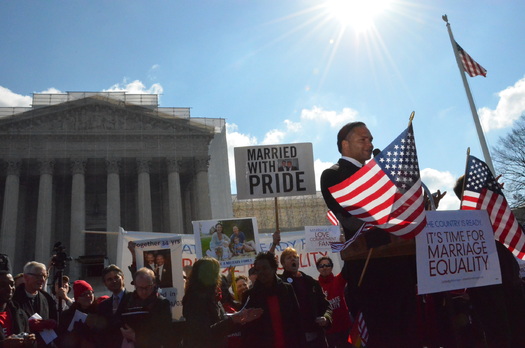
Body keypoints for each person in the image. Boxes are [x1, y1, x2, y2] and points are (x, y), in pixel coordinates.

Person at [320, 122, 419, 347]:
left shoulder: (381, 172)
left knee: (409, 333)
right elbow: (350, 217)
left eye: (371, 139)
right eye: (363, 139)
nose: (370, 144)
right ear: (345, 144)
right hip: (371, 267)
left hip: (401, 264)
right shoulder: (333, 174)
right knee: (384, 335)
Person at [453, 175, 525, 347]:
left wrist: (499, 205)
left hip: (511, 283)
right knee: (500, 336)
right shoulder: (460, 224)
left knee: (520, 332)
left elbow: (518, 236)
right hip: (485, 290)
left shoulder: (499, 216)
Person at [182, 257, 262, 348]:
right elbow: (204, 333)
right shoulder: (196, 299)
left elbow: (222, 326)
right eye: (216, 273)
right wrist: (233, 320)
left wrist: (240, 320)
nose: (219, 277)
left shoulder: (212, 297)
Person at [241, 252, 306, 347]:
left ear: (273, 268)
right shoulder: (249, 296)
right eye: (257, 270)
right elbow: (246, 330)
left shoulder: (287, 289)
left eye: (264, 268)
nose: (261, 272)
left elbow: (297, 321)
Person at [279, 247, 332, 348]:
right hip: (295, 340)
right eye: (289, 258)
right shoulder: (281, 283)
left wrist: (326, 318)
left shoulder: (311, 282)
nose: (293, 259)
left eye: (295, 257)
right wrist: (274, 245)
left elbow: (325, 305)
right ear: (283, 264)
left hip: (316, 338)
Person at [119, 268, 172, 348]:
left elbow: (164, 335)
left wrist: (135, 336)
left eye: (147, 287)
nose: (144, 291)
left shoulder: (162, 303)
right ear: (135, 285)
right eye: (140, 288)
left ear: (154, 284)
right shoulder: (127, 301)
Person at [13, 262, 58, 348]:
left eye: (44, 276)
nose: (42, 279)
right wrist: (28, 325)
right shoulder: (14, 299)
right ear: (26, 277)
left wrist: (51, 323)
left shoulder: (47, 298)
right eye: (38, 276)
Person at [316, 257, 353, 348]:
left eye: (327, 265)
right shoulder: (315, 285)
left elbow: (347, 266)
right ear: (318, 269)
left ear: (332, 267)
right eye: (321, 266)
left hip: (344, 327)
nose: (324, 268)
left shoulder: (339, 279)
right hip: (328, 332)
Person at [56, 280, 97, 348]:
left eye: (90, 293)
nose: (88, 296)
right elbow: (61, 338)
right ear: (77, 298)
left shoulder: (99, 311)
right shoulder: (67, 315)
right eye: (84, 294)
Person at [0, 270, 36, 347]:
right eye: (3, 285)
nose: (9, 288)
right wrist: (3, 345)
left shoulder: (20, 314)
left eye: (12, 284)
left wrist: (30, 341)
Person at [96, 264, 128, 348]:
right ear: (105, 283)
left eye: (116, 277)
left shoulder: (134, 299)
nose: (114, 281)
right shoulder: (102, 306)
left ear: (123, 278)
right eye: (109, 279)